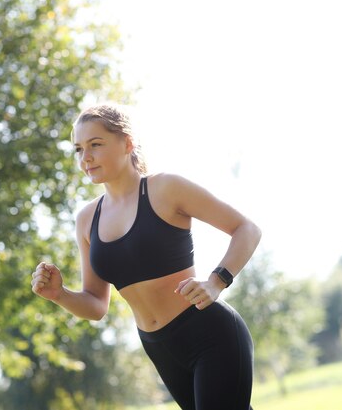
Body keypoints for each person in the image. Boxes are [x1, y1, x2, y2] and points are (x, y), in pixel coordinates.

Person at [31, 103, 261, 410]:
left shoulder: (165, 188)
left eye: (95, 145)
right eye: (78, 149)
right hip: (160, 347)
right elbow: (96, 305)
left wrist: (217, 282)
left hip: (209, 334)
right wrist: (59, 294)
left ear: (126, 143)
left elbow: (247, 228)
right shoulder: (87, 219)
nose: (85, 157)